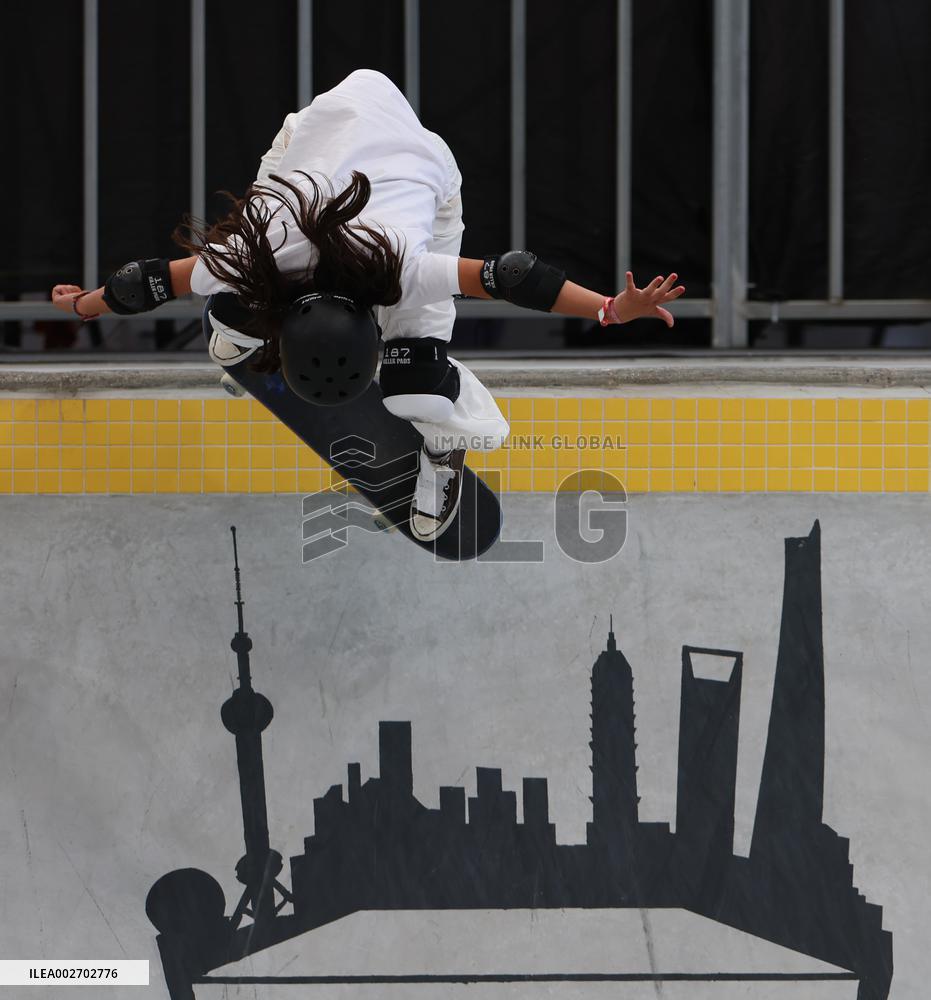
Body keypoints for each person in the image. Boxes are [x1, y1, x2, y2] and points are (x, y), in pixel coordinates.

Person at [51, 69, 685, 541]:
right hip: (311, 136)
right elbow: (149, 281)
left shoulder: (405, 268)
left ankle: (442, 453)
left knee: (418, 380)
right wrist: (86, 306)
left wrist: (610, 308)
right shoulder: (265, 249)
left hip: (425, 172)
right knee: (238, 272)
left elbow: (514, 277)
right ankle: (240, 322)